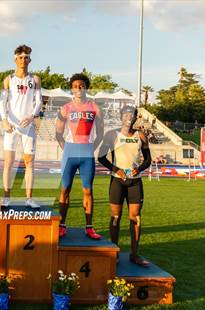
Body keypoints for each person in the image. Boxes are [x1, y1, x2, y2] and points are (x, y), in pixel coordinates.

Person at [98, 105, 151, 267]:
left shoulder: (140, 135)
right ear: (121, 117)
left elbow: (148, 159)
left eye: (132, 114)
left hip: (135, 182)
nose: (129, 117)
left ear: (135, 118)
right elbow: (101, 157)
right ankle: (115, 253)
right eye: (126, 114)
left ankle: (135, 255)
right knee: (115, 218)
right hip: (117, 181)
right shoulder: (111, 135)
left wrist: (139, 168)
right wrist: (116, 169)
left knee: (135, 218)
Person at [55, 73, 104, 238]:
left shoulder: (95, 108)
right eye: (75, 86)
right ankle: (62, 225)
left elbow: (101, 134)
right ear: (71, 88)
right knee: (65, 189)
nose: (78, 88)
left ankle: (89, 227)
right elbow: (58, 134)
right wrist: (67, 149)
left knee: (88, 191)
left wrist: (90, 149)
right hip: (70, 152)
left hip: (87, 154)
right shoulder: (66, 108)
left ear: (86, 87)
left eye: (81, 85)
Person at [0, 45, 42, 208]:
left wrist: (32, 116)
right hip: (11, 127)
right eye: (21, 57)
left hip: (28, 127)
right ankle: (6, 196)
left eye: (26, 57)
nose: (24, 60)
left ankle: (29, 198)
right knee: (8, 163)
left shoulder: (35, 79)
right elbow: (2, 103)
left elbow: (38, 102)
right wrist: (4, 120)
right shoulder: (9, 79)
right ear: (15, 59)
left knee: (29, 163)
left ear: (30, 59)